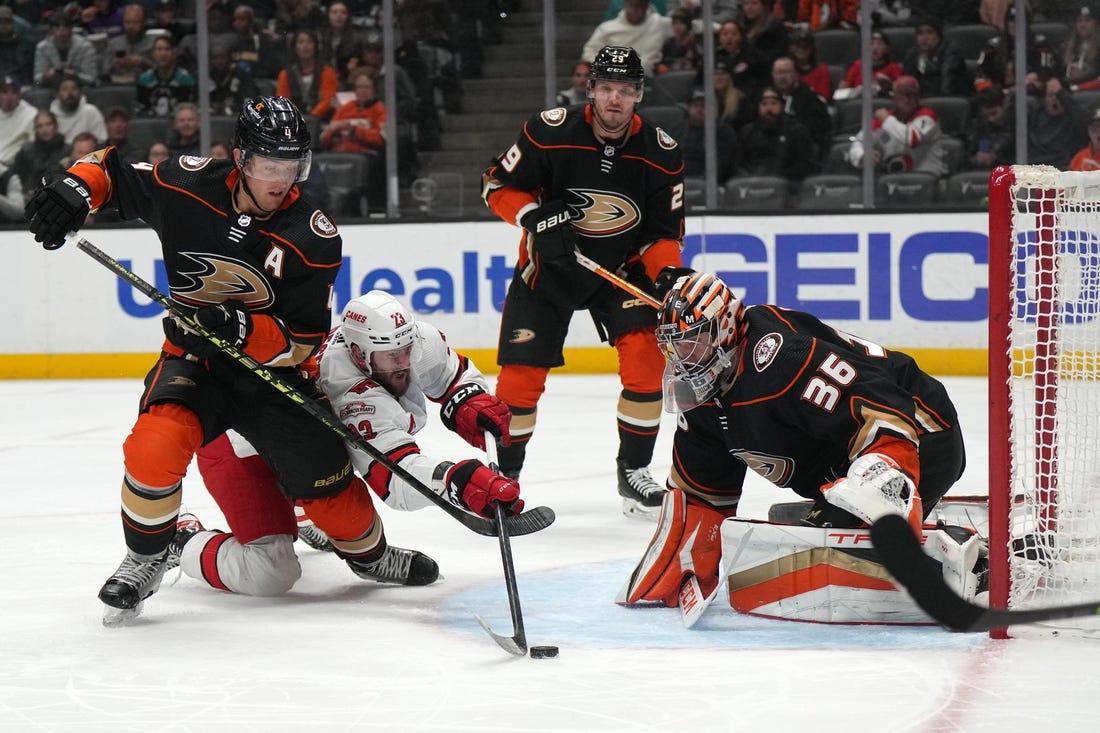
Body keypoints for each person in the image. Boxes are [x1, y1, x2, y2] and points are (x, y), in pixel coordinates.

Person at [22, 96, 454, 625]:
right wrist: (76, 188)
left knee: (339, 505)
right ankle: (147, 554)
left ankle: (368, 556)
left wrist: (241, 329)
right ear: (241, 158)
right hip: (195, 362)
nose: (280, 180)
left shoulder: (312, 236)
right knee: (154, 446)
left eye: (291, 166)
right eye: (269, 166)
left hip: (273, 379)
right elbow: (110, 169)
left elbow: (304, 338)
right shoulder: (188, 184)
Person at [619, 271, 965, 609]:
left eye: (691, 343)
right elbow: (701, 494)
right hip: (846, 463)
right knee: (811, 545)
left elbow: (877, 408)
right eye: (673, 348)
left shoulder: (782, 357)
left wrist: (885, 469)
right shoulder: (703, 389)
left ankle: (961, 561)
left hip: (919, 429)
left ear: (724, 329)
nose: (682, 360)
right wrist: (686, 553)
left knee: (830, 550)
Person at [169, 290, 522, 596]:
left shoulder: (412, 343)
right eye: (391, 356)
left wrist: (469, 400)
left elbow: (453, 374)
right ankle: (181, 538)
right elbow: (395, 477)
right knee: (270, 572)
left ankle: (360, 552)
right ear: (358, 353)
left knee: (344, 511)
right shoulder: (349, 392)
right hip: (240, 448)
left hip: (302, 450)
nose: (403, 363)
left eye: (406, 349)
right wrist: (455, 481)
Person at [481, 46, 689, 519]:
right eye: (606, 88)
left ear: (638, 95)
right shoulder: (549, 130)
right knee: (518, 381)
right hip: (547, 270)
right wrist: (534, 216)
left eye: (626, 90)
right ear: (590, 89)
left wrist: (669, 274)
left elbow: (660, 234)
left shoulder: (661, 151)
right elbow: (495, 186)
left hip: (620, 272)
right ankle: (505, 477)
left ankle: (633, 472)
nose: (615, 100)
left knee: (644, 360)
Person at [847, 74, 947, 177]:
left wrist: (886, 119)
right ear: (893, 97)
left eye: (912, 94)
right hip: (892, 182)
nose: (907, 99)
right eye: (902, 94)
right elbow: (857, 140)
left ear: (918, 97)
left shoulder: (927, 116)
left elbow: (911, 139)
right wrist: (862, 155)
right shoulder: (883, 120)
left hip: (927, 181)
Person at [737, 86, 817, 181]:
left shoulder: (797, 130)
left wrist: (778, 176)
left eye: (774, 103)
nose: (769, 109)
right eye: (764, 104)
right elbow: (739, 164)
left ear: (782, 106)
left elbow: (805, 164)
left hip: (789, 184)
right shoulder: (748, 132)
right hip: (754, 183)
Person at [582, 0, 672, 74]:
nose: (636, 9)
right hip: (611, 76)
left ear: (646, 6)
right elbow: (588, 54)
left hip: (646, 78)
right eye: (633, 5)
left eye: (640, 5)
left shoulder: (660, 23)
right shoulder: (606, 28)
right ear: (625, 4)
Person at [771, 56, 830, 161]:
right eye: (778, 73)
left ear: (795, 74)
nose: (782, 77)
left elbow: (817, 134)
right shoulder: (766, 98)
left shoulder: (811, 100)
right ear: (772, 75)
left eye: (786, 72)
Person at [276, 30, 338, 120]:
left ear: (315, 46)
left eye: (309, 42)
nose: (305, 46)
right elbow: (282, 102)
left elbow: (327, 100)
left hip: (321, 120)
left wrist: (310, 117)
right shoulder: (285, 74)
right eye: (301, 42)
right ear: (295, 47)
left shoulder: (327, 72)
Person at [902, 16, 971, 97]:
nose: (924, 38)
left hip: (947, 99)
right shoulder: (912, 55)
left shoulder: (952, 54)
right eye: (920, 33)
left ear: (939, 36)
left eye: (929, 32)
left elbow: (947, 85)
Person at [135, 34, 196, 117]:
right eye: (159, 49)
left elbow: (190, 111)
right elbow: (140, 110)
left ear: (174, 53)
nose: (163, 53)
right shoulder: (144, 79)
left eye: (167, 49)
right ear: (153, 53)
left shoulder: (185, 79)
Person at [835, 30, 902, 101]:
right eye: (871, 43)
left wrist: (890, 85)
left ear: (887, 48)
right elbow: (841, 94)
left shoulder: (894, 67)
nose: (875, 47)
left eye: (880, 44)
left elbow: (901, 94)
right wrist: (854, 91)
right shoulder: (857, 66)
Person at [34, 15, 99, 87]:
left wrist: (75, 75)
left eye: (65, 27)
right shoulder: (42, 47)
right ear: (51, 30)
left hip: (81, 87)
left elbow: (92, 79)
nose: (62, 30)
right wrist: (45, 77)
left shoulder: (85, 47)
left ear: (71, 29)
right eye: (57, 27)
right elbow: (37, 81)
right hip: (52, 87)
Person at [10, 110, 67, 192]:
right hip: (28, 197)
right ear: (35, 129)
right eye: (40, 126)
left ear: (56, 126)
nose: (45, 129)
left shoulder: (67, 151)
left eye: (49, 124)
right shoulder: (26, 150)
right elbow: (16, 177)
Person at [102, 3, 154, 84]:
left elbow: (161, 69)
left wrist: (142, 61)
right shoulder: (114, 43)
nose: (131, 26)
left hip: (146, 84)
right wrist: (115, 64)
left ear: (144, 23)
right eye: (127, 22)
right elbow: (104, 71)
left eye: (136, 22)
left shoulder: (154, 43)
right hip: (118, 84)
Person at [50, 74, 108, 144]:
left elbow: (101, 140)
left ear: (80, 93)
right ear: (57, 94)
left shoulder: (91, 111)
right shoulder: (51, 114)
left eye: (74, 89)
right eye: (65, 89)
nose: (69, 93)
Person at [0, 75, 36, 173]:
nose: (9, 97)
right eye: (4, 92)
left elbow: (34, 147)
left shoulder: (31, 114)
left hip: (10, 169)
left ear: (20, 94)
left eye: (14, 92)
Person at [788, 28, 832, 100]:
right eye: (798, 46)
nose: (801, 49)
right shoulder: (786, 69)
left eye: (805, 46)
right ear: (791, 48)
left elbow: (823, 97)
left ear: (812, 48)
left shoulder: (822, 70)